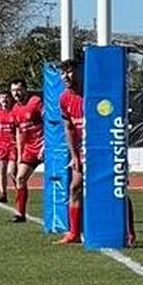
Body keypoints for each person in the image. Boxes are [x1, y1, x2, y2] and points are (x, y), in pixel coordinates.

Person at [8, 79, 43, 223]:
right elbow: (19, 132)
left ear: (25, 90)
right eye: (13, 91)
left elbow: (50, 121)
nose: (16, 93)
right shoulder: (15, 109)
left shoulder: (35, 102)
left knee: (58, 178)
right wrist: (19, 155)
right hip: (29, 149)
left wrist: (47, 144)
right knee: (19, 178)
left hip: (43, 146)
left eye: (18, 89)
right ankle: (20, 214)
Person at [57, 60, 85, 245]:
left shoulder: (92, 93)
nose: (66, 76)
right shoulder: (64, 98)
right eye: (63, 73)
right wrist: (74, 155)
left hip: (100, 148)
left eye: (70, 72)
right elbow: (68, 127)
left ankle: (129, 232)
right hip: (81, 150)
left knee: (114, 189)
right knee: (74, 187)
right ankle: (73, 233)